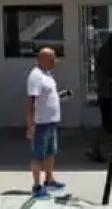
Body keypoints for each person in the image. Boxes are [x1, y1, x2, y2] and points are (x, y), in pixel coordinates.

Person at [26, 47, 66, 198]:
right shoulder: (35, 76)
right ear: (42, 59)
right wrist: (30, 124)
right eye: (51, 59)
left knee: (51, 152)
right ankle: (37, 186)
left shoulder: (47, 74)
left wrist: (60, 96)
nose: (54, 62)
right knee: (38, 155)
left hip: (51, 121)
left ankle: (49, 179)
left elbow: (49, 96)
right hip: (41, 123)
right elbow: (31, 102)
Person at [87, 33, 112, 162]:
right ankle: (96, 149)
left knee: (108, 124)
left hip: (106, 93)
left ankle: (98, 149)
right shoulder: (108, 53)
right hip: (108, 93)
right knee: (108, 124)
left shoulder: (106, 51)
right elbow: (108, 74)